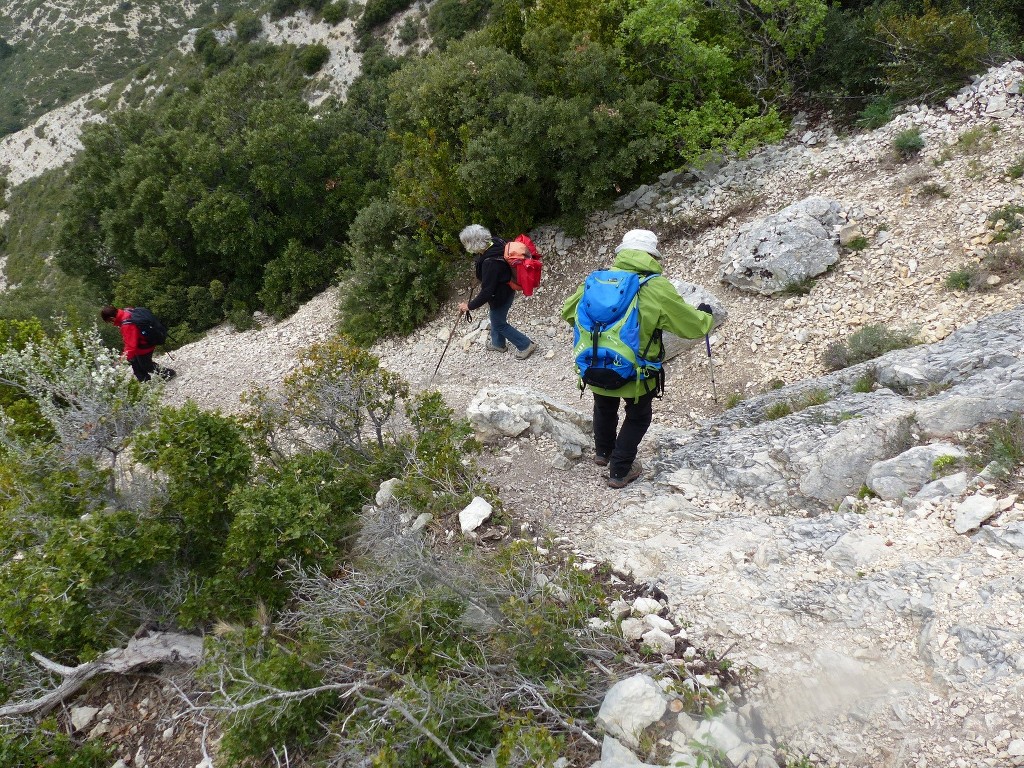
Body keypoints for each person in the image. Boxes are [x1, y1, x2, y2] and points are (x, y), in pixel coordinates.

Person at [561, 229, 714, 489]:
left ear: (622, 252)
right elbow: (691, 326)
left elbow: (568, 312)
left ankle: (604, 452)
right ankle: (620, 469)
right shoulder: (655, 286)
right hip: (637, 372)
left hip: (596, 365)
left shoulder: (597, 280)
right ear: (652, 255)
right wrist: (706, 317)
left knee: (604, 405)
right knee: (638, 416)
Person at [458, 224, 538, 360]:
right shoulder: (496, 242)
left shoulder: (489, 263)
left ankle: (525, 345)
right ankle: (498, 344)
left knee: (499, 323)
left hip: (500, 296)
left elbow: (487, 292)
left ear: (473, 244)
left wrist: (469, 306)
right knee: (495, 318)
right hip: (507, 289)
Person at [100, 305, 176, 383]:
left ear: (112, 318)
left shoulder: (126, 324)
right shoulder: (127, 311)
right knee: (135, 362)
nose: (111, 323)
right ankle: (145, 381)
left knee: (146, 365)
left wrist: (121, 360)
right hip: (145, 341)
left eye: (110, 321)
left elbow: (131, 347)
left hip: (144, 346)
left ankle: (169, 373)